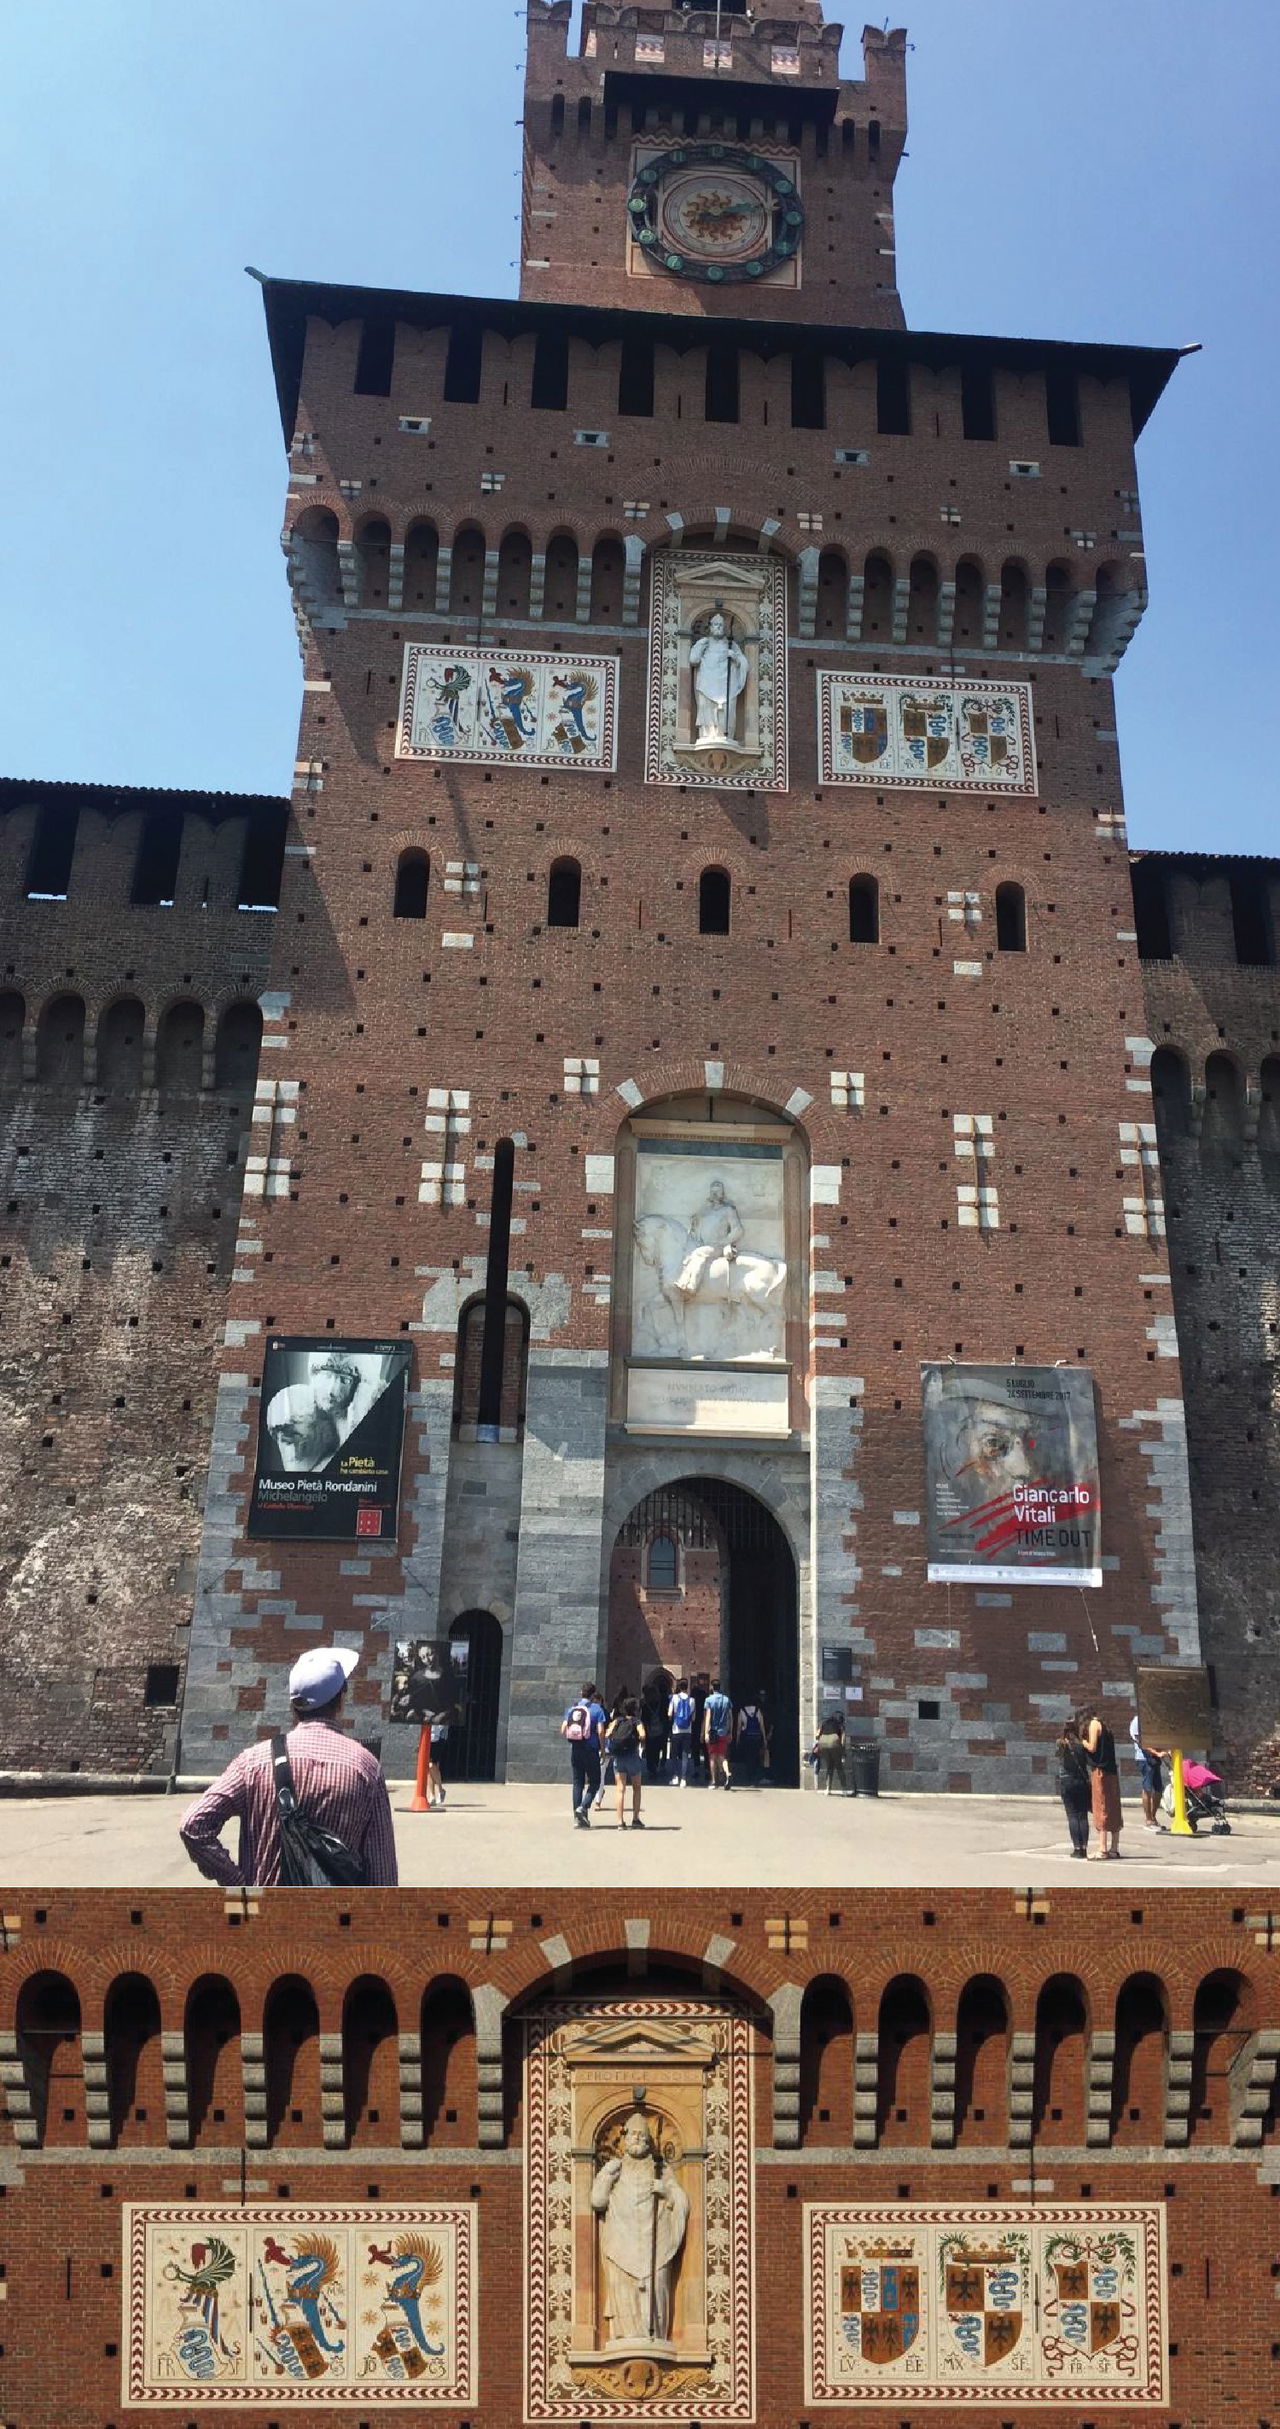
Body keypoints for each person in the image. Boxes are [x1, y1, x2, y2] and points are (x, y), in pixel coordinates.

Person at [179, 1646, 397, 1887]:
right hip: (336, 1918)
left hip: (265, 1916)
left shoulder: (253, 1762)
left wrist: (239, 1884)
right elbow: (381, 1871)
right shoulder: (365, 1767)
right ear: (341, 1698)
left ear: (294, 1706)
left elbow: (194, 1824)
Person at [590, 2108, 689, 2344]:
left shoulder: (661, 2169)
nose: (637, 2139)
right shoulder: (615, 2168)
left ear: (648, 2141)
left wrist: (665, 2190)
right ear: (624, 2139)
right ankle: (626, 2335)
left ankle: (655, 2332)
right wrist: (605, 2175)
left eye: (642, 2136)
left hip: (656, 2242)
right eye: (632, 2135)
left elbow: (681, 2200)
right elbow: (597, 2201)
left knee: (656, 2288)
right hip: (621, 2241)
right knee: (624, 2287)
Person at [690, 607, 749, 747]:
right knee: (708, 709)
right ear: (710, 627)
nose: (718, 627)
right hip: (707, 682)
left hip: (727, 684)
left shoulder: (731, 645)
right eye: (716, 625)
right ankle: (707, 735)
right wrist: (700, 647)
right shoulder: (704, 643)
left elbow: (744, 663)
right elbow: (693, 660)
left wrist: (734, 657)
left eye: (721, 625)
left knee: (727, 710)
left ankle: (725, 734)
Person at [561, 1681, 607, 1829]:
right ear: (594, 1694)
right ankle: (584, 1807)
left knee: (578, 1783)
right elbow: (600, 1731)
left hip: (576, 1749)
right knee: (594, 1781)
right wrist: (603, 1749)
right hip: (591, 1750)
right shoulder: (597, 1709)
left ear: (581, 1693)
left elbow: (563, 1729)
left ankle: (577, 1818)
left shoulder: (572, 1709)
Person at [1081, 1705, 1123, 1859]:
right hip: (1111, 1771)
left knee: (1101, 1807)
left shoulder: (1093, 1724)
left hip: (1100, 1772)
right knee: (1114, 1807)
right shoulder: (1106, 1727)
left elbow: (1092, 1747)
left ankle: (1102, 1849)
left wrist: (1082, 1742)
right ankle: (1114, 1848)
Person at [605, 1697, 647, 1829]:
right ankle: (635, 1819)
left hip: (619, 1756)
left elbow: (607, 1734)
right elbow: (642, 1735)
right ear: (636, 1709)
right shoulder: (637, 1721)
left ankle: (619, 1821)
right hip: (632, 1756)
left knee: (620, 1789)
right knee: (636, 1787)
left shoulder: (617, 1720)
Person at [1055, 1716, 1092, 1858]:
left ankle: (1077, 1848)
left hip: (1067, 1781)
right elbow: (1088, 1762)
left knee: (1072, 1815)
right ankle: (1084, 1848)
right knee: (1082, 1816)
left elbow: (1058, 1756)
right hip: (1081, 1782)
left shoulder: (1061, 1743)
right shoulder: (1082, 1744)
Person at [594, 1684, 632, 1809]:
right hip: (606, 1745)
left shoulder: (603, 1713)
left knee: (600, 1773)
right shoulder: (605, 1713)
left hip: (600, 1746)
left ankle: (598, 1799)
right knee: (600, 1773)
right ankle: (598, 1797)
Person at [1129, 1713, 1165, 1830]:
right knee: (1147, 1788)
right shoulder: (1137, 1721)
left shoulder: (1152, 1719)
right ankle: (1148, 1818)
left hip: (1155, 1759)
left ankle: (1153, 1817)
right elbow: (1141, 1742)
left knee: (1158, 1789)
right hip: (1144, 1759)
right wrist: (1156, 1752)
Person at [733, 1692, 770, 1787]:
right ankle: (754, 1775)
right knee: (755, 1756)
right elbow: (761, 1725)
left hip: (746, 1737)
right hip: (756, 1737)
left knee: (748, 1756)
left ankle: (749, 1775)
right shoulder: (757, 1710)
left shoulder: (742, 1711)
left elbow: (739, 1727)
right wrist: (764, 1738)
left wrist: (737, 1739)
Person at [703, 1678, 734, 1788]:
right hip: (723, 1732)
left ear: (712, 1687)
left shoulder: (709, 1700)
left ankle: (713, 1781)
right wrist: (730, 1732)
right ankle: (727, 1772)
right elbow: (730, 1717)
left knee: (712, 1757)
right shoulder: (726, 1700)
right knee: (722, 1756)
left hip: (713, 1732)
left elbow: (708, 1716)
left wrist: (706, 1732)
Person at [667, 1676, 696, 1786]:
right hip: (688, 1730)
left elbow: (669, 1714)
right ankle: (683, 1779)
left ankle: (675, 1776)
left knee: (674, 1754)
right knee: (685, 1755)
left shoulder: (674, 1698)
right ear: (687, 1687)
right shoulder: (692, 1700)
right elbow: (693, 1718)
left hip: (676, 1730)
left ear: (679, 1686)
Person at [812, 1710, 847, 1796]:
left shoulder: (825, 1723)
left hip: (823, 1743)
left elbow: (817, 1735)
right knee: (839, 1766)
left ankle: (827, 1789)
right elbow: (843, 1739)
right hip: (833, 1741)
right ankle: (844, 1790)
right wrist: (843, 1753)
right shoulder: (840, 1724)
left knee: (829, 1766)